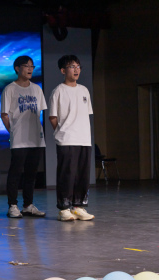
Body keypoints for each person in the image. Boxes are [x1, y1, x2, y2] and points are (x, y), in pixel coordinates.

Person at [49, 55, 95, 222]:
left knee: (82, 174)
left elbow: (86, 114)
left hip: (84, 139)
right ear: (63, 70)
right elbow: (53, 117)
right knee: (67, 174)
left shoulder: (84, 90)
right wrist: (62, 132)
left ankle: (78, 207)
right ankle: (64, 208)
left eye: (78, 66)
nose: (76, 70)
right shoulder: (58, 91)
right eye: (72, 66)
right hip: (67, 139)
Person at [1, 55, 47, 219]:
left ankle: (28, 205)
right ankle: (12, 205)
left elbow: (39, 112)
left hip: (36, 138)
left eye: (32, 66)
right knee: (15, 172)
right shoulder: (10, 89)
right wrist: (13, 131)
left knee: (31, 173)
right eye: (26, 66)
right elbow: (4, 115)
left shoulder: (37, 89)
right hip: (19, 138)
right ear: (17, 68)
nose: (30, 69)